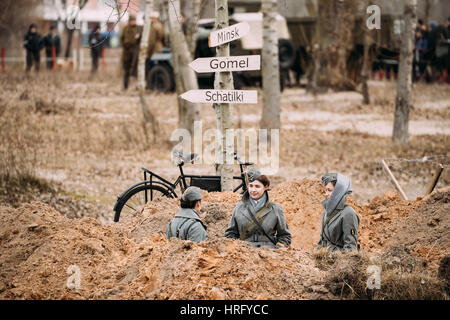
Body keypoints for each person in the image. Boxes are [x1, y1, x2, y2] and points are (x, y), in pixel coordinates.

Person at [225, 168, 291, 249]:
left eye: (257, 186)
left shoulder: (276, 209)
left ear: (266, 186)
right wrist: (238, 249)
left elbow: (285, 236)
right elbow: (230, 234)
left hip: (269, 255)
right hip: (245, 254)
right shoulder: (239, 208)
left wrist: (277, 251)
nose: (253, 190)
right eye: (251, 186)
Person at [317, 173, 360, 252]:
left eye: (329, 190)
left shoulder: (348, 213)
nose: (326, 194)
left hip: (339, 261)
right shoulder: (326, 212)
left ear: (338, 191)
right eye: (325, 190)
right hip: (325, 260)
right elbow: (322, 241)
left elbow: (350, 249)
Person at [120, 14, 141, 89]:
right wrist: (124, 46)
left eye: (134, 20)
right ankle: (125, 86)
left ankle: (138, 86)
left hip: (135, 51)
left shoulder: (138, 28)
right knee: (126, 71)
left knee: (137, 70)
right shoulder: (125, 28)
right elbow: (121, 38)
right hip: (127, 52)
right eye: (132, 21)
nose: (133, 22)